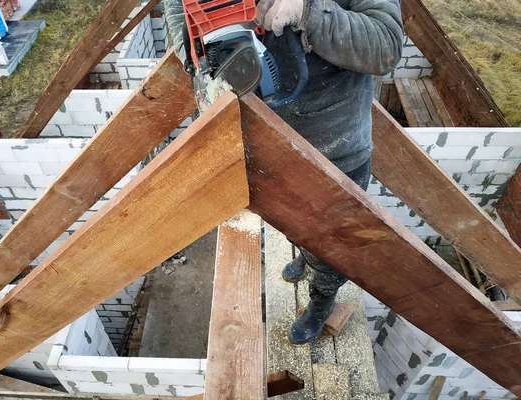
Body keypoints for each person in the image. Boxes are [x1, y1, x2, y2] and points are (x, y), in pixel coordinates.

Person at [165, 0, 404, 344]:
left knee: (331, 243)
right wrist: (192, 43)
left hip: (334, 147)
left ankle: (322, 299)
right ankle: (304, 254)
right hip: (269, 139)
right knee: (293, 222)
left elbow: (385, 46)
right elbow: (178, 5)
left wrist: (307, 11)